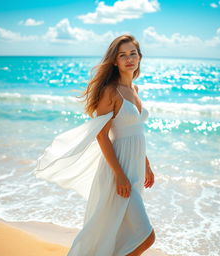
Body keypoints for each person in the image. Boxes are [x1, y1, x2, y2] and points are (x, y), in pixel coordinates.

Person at [33, 34, 155, 256]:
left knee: (122, 233)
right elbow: (102, 136)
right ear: (115, 61)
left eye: (133, 53)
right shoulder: (111, 91)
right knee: (146, 237)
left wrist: (146, 164)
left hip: (135, 168)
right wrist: (119, 174)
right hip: (119, 169)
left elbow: (136, 130)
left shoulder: (135, 90)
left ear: (139, 57)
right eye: (123, 55)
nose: (129, 58)